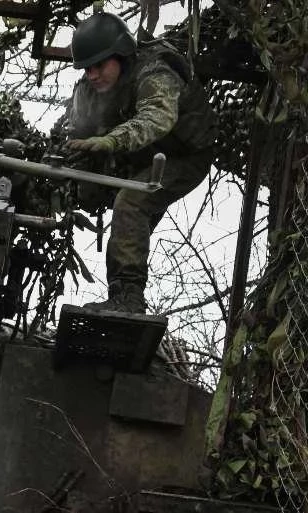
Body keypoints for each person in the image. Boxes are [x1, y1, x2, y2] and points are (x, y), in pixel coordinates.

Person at [64, 12, 217, 314]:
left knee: (131, 203)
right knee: (103, 199)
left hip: (185, 157)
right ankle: (120, 295)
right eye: (87, 68)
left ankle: (128, 299)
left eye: (99, 66)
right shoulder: (89, 90)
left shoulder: (154, 72)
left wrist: (111, 142)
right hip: (141, 156)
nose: (92, 75)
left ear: (121, 55)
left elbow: (157, 117)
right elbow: (76, 129)